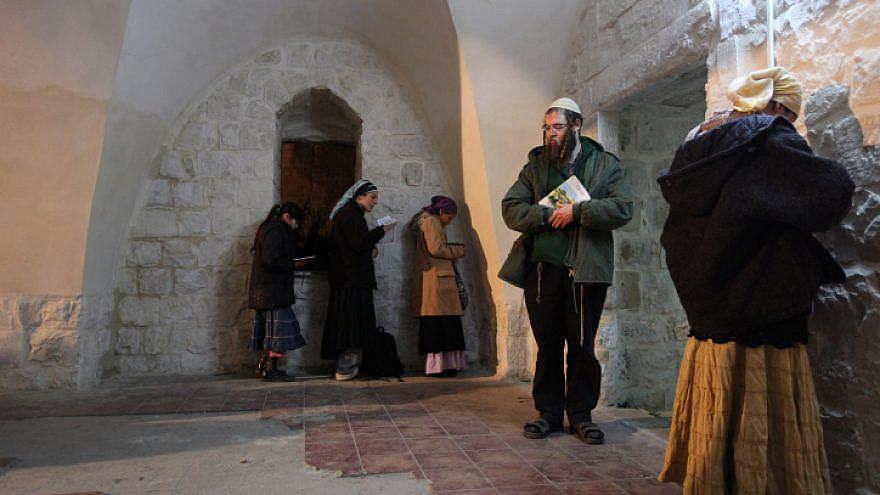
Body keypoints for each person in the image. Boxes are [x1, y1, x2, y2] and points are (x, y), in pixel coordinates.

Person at [657, 67, 854, 494]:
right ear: (779, 107)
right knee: (761, 437)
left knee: (717, 430)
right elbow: (832, 194)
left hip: (709, 312)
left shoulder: (699, 145)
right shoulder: (765, 139)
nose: (792, 125)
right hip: (761, 313)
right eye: (792, 116)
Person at [499, 97, 633, 443]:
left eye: (556, 127)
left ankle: (581, 415)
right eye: (546, 128)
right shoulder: (535, 168)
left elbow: (622, 207)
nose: (550, 135)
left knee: (582, 346)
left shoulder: (605, 165)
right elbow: (511, 208)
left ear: (576, 125)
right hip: (543, 272)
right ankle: (548, 414)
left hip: (586, 271)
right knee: (548, 345)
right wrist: (547, 215)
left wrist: (579, 212)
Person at [321, 179, 394, 380]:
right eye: (373, 197)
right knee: (353, 326)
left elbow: (355, 246)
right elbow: (359, 243)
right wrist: (382, 230)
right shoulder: (350, 215)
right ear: (359, 196)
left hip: (349, 279)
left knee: (351, 324)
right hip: (352, 280)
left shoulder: (349, 215)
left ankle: (348, 366)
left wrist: (369, 248)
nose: (375, 202)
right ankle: (346, 368)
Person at [408, 195, 467, 376]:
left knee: (438, 325)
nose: (448, 223)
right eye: (448, 218)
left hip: (434, 280)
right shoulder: (432, 222)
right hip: (439, 280)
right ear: (442, 212)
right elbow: (436, 249)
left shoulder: (425, 221)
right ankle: (444, 367)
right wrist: (458, 250)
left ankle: (440, 367)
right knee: (445, 325)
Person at [248, 202, 306, 381]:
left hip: (270, 291)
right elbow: (270, 260)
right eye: (296, 222)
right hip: (272, 291)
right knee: (277, 333)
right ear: (287, 217)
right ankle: (270, 370)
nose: (296, 226)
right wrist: (293, 264)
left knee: (272, 332)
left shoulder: (272, 229)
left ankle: (264, 367)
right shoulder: (276, 230)